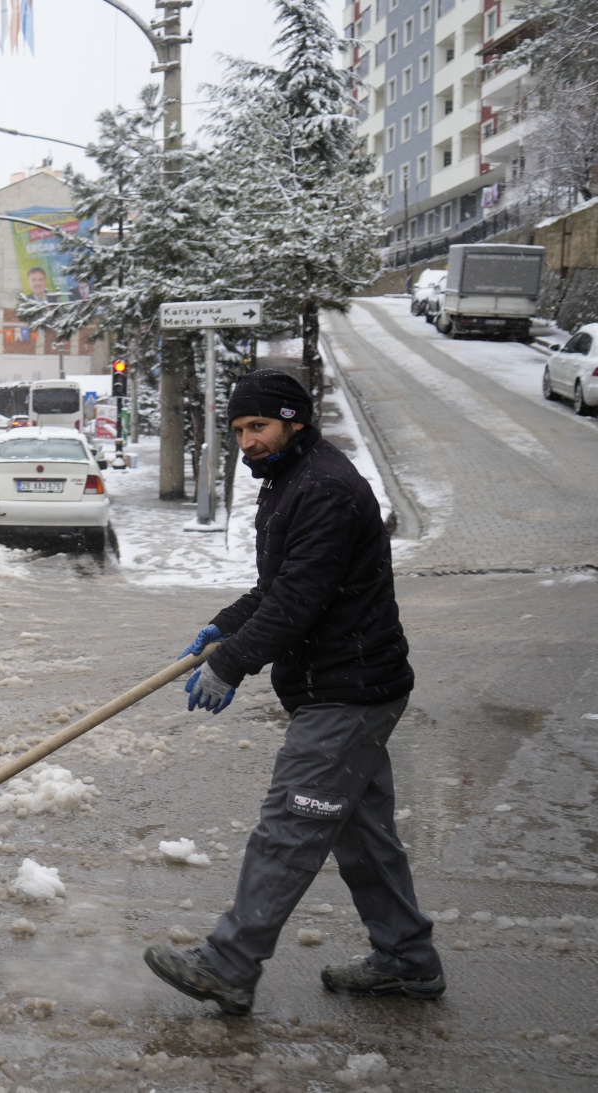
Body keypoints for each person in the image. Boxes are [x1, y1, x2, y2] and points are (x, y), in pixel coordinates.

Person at [143, 368, 444, 1016]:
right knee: (362, 837)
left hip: (349, 690)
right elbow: (275, 588)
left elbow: (298, 601)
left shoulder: (325, 489)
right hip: (344, 686)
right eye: (239, 430)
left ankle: (229, 963)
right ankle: (407, 958)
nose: (247, 440)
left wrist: (234, 662)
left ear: (294, 421)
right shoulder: (289, 481)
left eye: (258, 426)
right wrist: (225, 626)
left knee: (288, 826)